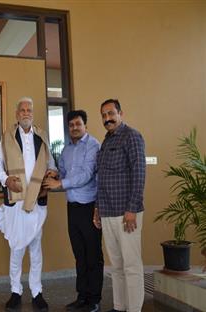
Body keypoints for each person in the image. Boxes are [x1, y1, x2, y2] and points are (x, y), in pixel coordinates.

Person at [0, 97, 56, 312]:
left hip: (36, 200)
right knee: (16, 247)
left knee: (36, 248)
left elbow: (52, 165)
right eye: (22, 110)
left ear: (33, 113)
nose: (26, 112)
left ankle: (37, 291)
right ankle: (15, 291)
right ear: (17, 113)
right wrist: (6, 180)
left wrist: (52, 174)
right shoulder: (7, 137)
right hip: (16, 200)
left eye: (29, 109)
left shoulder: (42, 137)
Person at [43, 110, 103, 312]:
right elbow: (64, 172)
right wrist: (56, 173)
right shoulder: (67, 150)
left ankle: (94, 300)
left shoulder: (93, 145)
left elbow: (86, 175)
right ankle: (82, 296)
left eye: (78, 124)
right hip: (72, 208)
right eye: (71, 125)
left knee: (93, 255)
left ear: (85, 125)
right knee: (79, 255)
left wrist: (60, 182)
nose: (74, 128)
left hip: (89, 207)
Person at [94, 99, 146, 312]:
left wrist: (132, 208)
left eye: (111, 113)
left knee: (131, 266)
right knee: (116, 266)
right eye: (104, 115)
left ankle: (133, 309)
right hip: (107, 213)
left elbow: (139, 172)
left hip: (127, 214)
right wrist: (97, 209)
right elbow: (101, 178)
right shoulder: (105, 142)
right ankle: (119, 306)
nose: (107, 118)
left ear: (120, 113)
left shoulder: (132, 137)